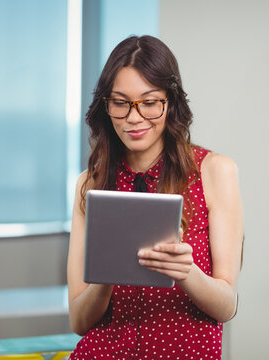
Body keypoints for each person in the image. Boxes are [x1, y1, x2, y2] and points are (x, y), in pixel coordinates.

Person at [66, 35, 244, 360]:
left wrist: (185, 271)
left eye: (149, 102)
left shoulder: (215, 172)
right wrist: (107, 273)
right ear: (105, 105)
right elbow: (78, 321)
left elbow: (226, 305)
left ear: (170, 102)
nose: (134, 118)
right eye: (120, 102)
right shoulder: (90, 185)